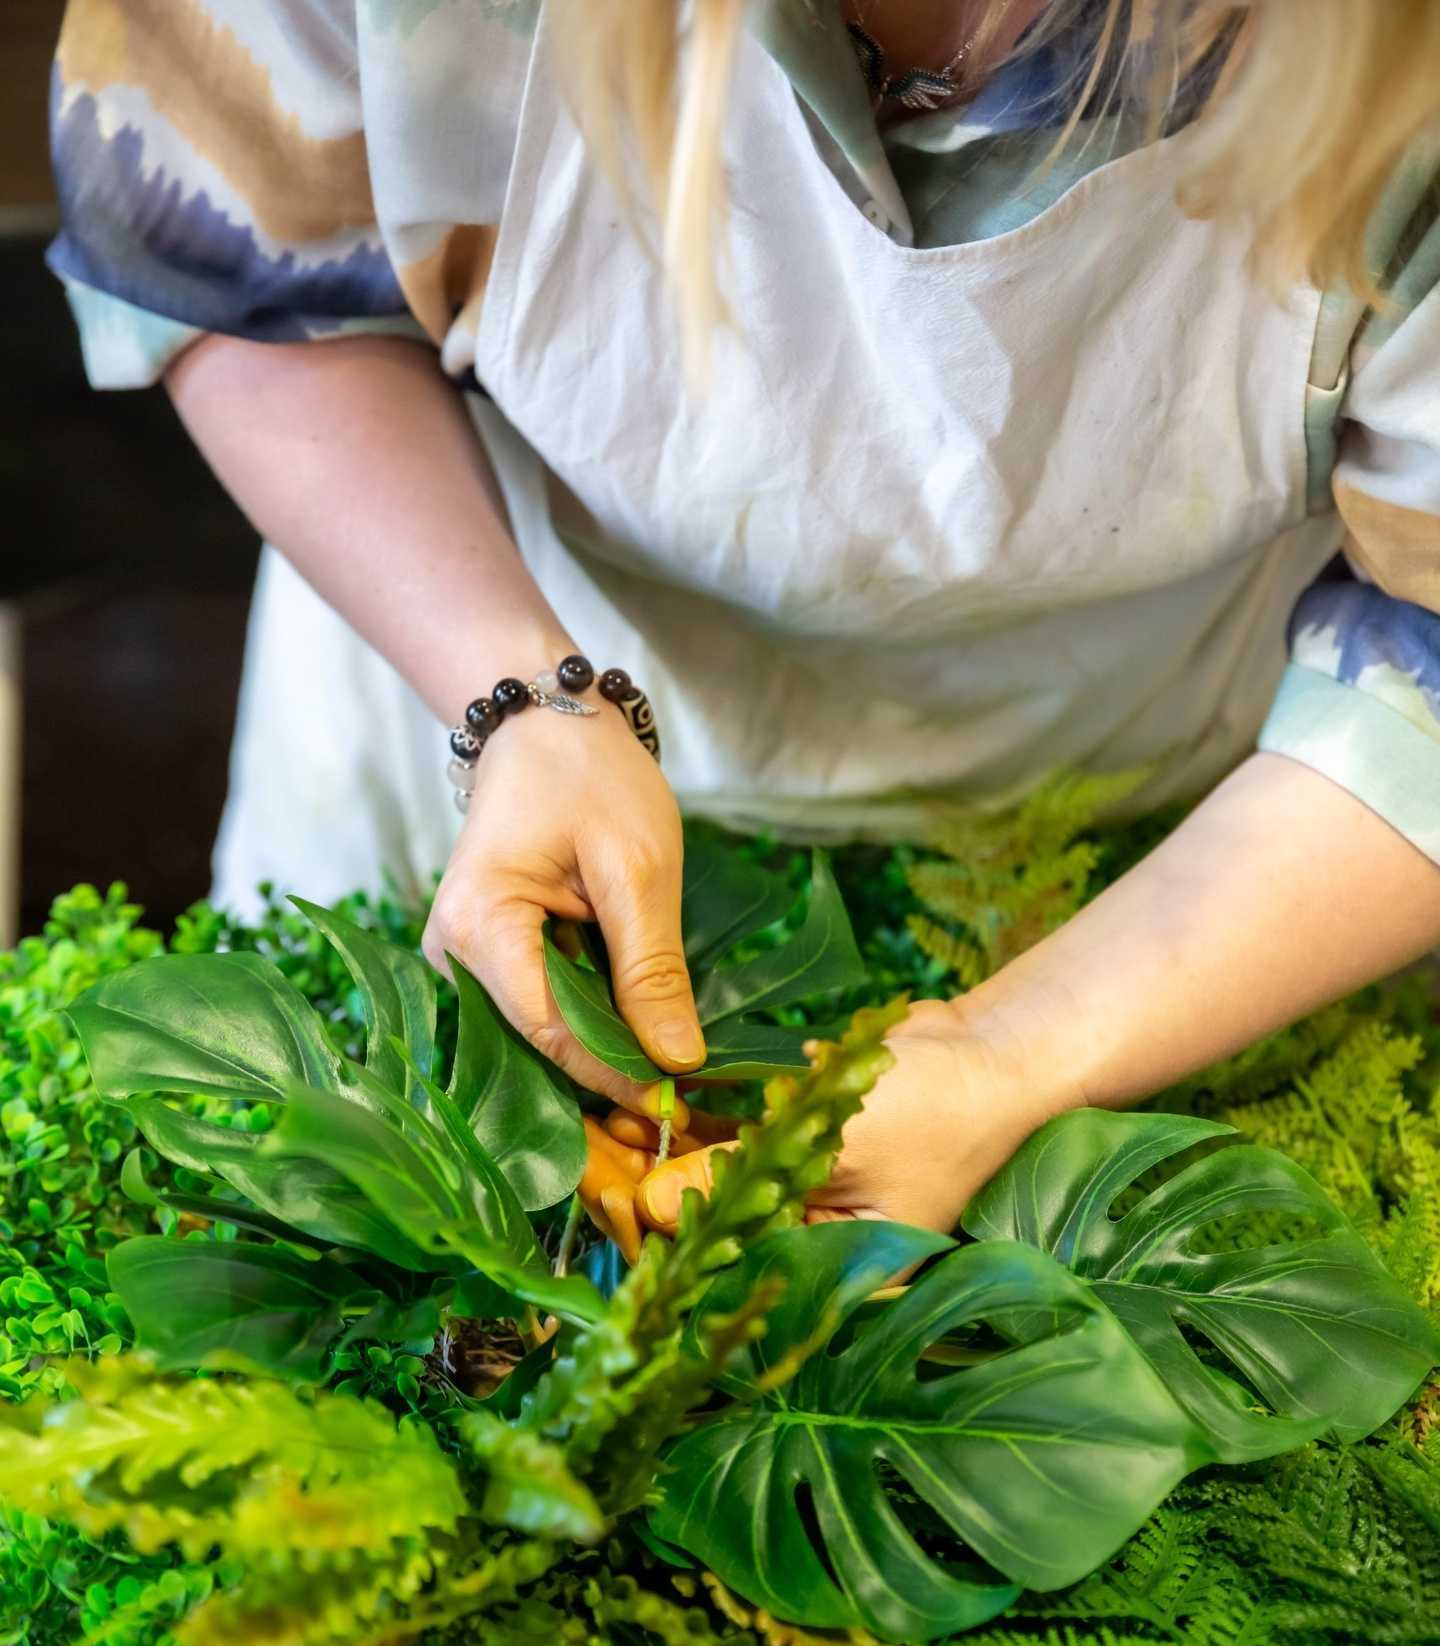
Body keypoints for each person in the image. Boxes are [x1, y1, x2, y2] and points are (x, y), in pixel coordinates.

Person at [49, 0, 1440, 1239]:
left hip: (1195, 844)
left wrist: (1014, 1053)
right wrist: (517, 700)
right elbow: (239, 258)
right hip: (466, 690)